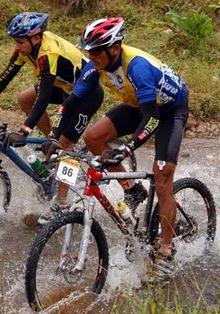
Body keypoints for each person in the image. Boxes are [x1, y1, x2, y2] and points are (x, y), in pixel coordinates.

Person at [75, 17, 189, 280]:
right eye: (87, 50)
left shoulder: (137, 68)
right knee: (93, 138)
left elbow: (153, 120)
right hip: (141, 105)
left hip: (169, 111)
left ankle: (167, 248)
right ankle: (134, 191)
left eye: (94, 51)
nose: (89, 56)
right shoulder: (97, 65)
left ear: (114, 49)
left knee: (162, 178)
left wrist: (127, 149)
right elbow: (73, 100)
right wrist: (56, 137)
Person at [0, 12, 104, 224]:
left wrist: (24, 130)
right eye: (15, 42)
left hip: (86, 94)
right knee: (24, 98)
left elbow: (45, 97)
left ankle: (62, 204)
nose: (17, 47)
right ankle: (51, 147)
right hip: (63, 85)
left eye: (20, 42)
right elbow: (4, 77)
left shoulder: (47, 52)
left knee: (64, 146)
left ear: (36, 38)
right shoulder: (27, 47)